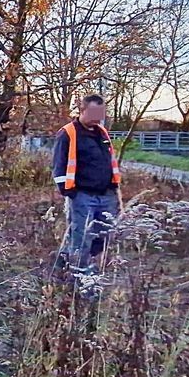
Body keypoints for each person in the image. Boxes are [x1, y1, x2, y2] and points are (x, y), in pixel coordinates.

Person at [52, 94, 121, 271]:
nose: (98, 117)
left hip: (106, 195)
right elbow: (59, 167)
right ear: (82, 110)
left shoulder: (102, 133)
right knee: (81, 236)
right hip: (82, 195)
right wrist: (69, 193)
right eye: (93, 112)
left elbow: (109, 161)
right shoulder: (68, 133)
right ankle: (77, 273)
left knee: (103, 235)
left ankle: (69, 261)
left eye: (101, 113)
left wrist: (114, 187)